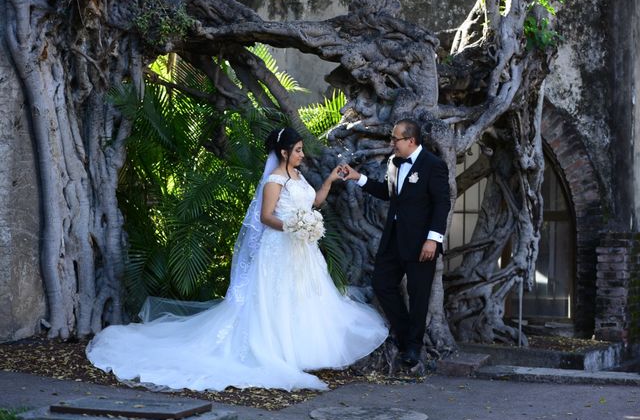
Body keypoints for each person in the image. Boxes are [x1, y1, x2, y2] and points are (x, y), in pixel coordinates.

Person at [86, 127, 387, 392]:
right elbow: (266, 217)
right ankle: (277, 352)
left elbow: (314, 203)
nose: (301, 155)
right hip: (279, 247)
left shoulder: (298, 176)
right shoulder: (274, 180)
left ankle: (303, 352)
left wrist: (330, 182)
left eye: (301, 150)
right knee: (276, 299)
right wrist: (294, 227)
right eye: (297, 150)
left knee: (304, 297)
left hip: (302, 249)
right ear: (283, 152)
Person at [342, 119, 450, 367]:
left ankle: (413, 347)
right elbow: (388, 193)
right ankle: (403, 334)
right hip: (393, 240)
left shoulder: (433, 165)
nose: (392, 143)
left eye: (395, 139)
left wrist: (433, 239)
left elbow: (442, 203)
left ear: (410, 141)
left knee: (418, 294)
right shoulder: (393, 163)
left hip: (422, 243)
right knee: (382, 283)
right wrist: (358, 178)